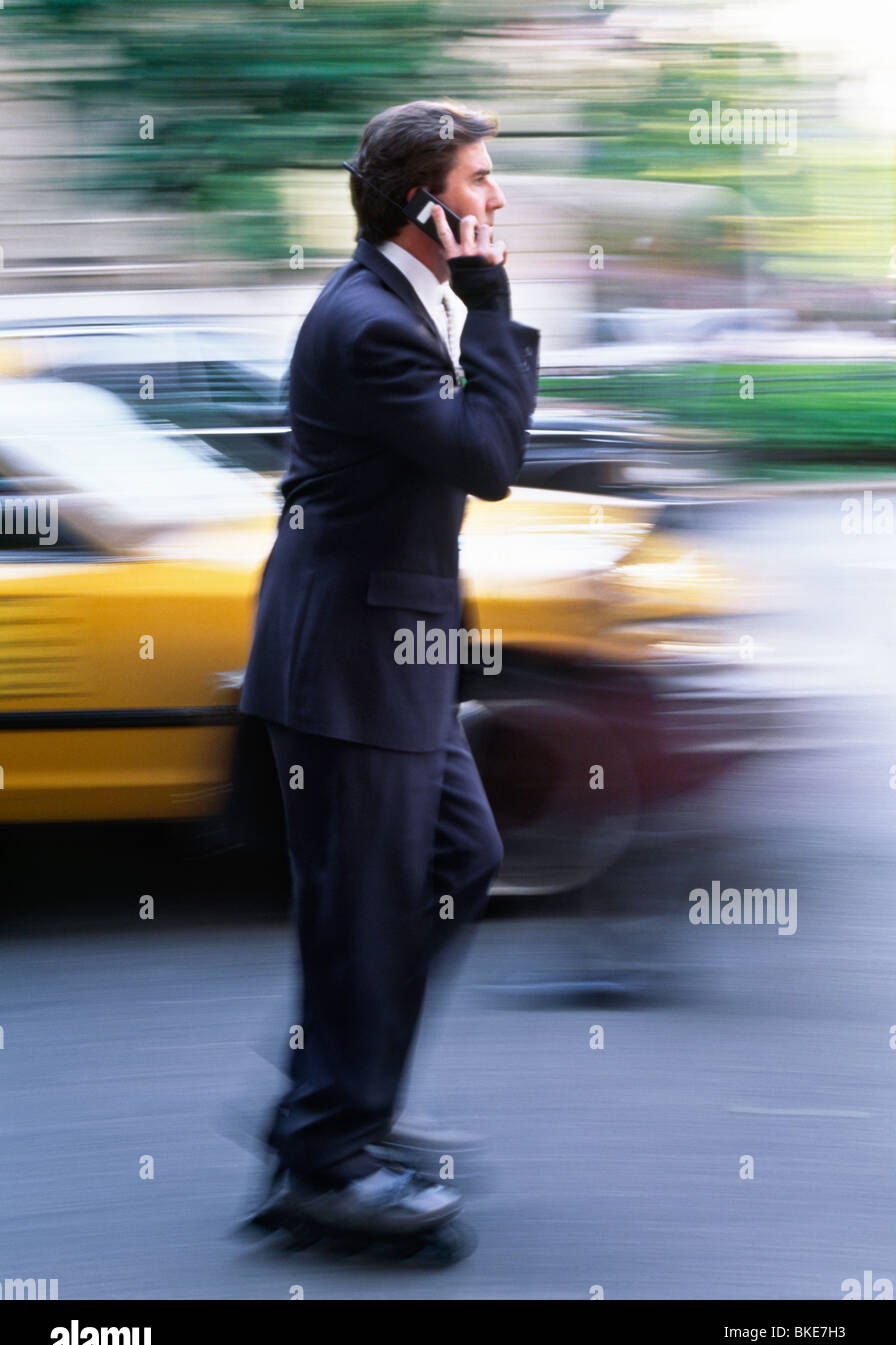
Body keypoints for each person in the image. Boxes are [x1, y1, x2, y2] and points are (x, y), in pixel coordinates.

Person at [239, 98, 540, 1239]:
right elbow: (485, 459)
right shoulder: (371, 321)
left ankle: (336, 1110)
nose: (495, 197)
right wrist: (497, 312)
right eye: (477, 179)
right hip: (348, 675)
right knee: (362, 913)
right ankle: (323, 1154)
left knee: (457, 860)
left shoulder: (394, 306)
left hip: (386, 665)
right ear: (424, 205)